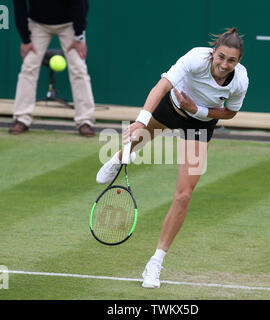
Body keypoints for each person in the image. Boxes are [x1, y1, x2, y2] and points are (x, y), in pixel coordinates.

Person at [96, 28, 249, 288]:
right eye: (221, 57)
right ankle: (119, 158)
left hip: (200, 125)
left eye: (231, 60)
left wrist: (197, 110)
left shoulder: (240, 81)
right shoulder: (194, 58)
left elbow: (229, 113)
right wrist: (140, 121)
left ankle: (155, 263)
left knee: (184, 195)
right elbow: (162, 86)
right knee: (137, 140)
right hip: (170, 108)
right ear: (213, 53)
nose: (224, 65)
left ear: (238, 61)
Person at [9, 0, 96, 137]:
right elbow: (19, 5)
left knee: (79, 69)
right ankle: (21, 118)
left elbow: (80, 3)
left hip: (70, 24)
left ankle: (85, 121)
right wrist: (26, 40)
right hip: (37, 23)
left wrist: (79, 36)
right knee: (28, 67)